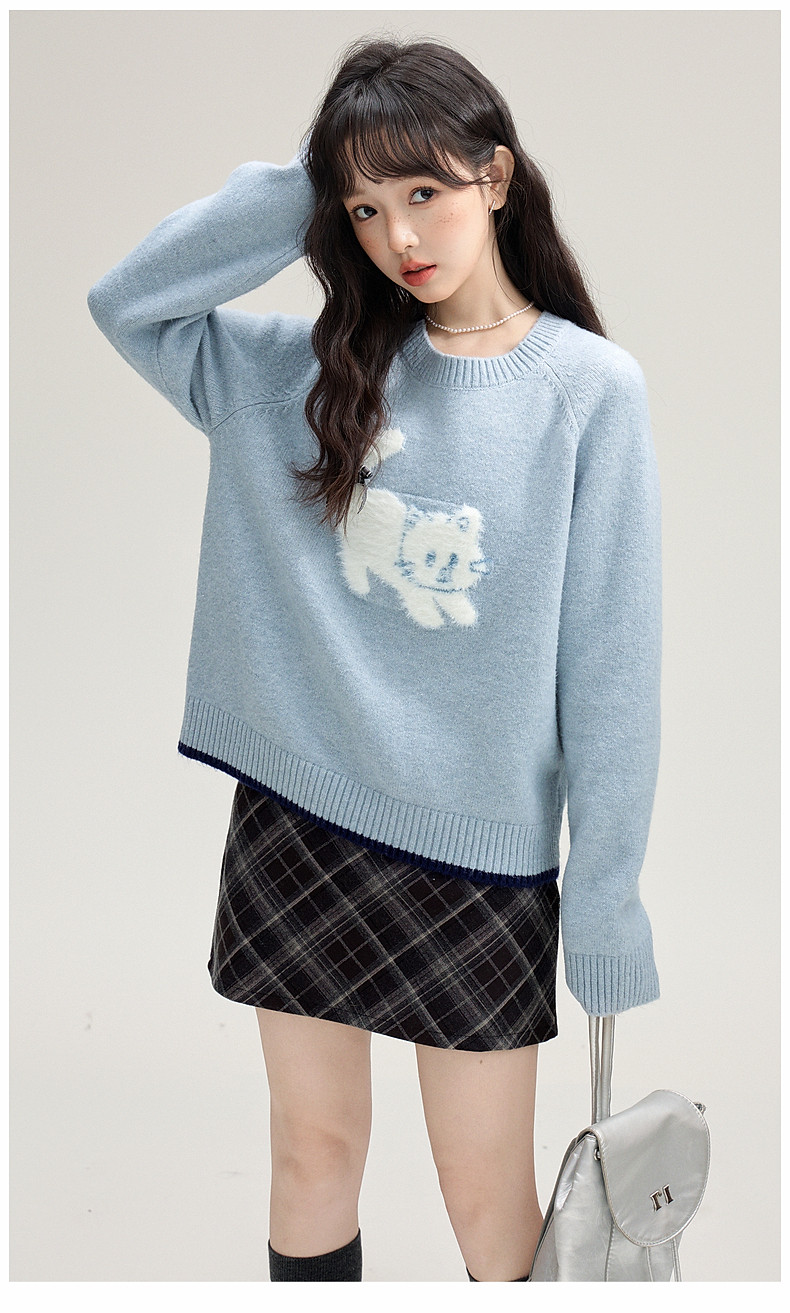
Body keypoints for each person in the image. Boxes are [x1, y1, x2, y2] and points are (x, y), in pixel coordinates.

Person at [87, 34, 662, 1284]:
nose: (398, 234)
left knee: (486, 1196)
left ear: (495, 177)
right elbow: (125, 301)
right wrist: (313, 172)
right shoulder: (295, 372)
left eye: (424, 191)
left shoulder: (587, 391)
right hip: (301, 820)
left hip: (480, 854)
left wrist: (605, 900)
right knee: (311, 1152)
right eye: (362, 207)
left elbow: (612, 673)